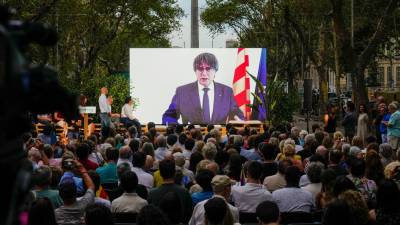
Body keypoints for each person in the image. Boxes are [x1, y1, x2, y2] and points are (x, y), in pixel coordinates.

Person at [162, 52, 244, 124]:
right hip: (191, 138)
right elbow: (169, 116)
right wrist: (177, 128)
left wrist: (239, 121)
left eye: (208, 69)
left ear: (215, 71)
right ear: (195, 71)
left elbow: (238, 115)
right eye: (200, 69)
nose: (204, 73)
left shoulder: (227, 92)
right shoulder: (182, 92)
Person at [148, 159, 193, 223]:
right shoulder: (184, 192)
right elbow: (189, 214)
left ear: (160, 173)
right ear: (174, 172)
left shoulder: (152, 193)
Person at [55, 161, 95, 225]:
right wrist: (82, 169)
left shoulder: (55, 214)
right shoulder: (84, 204)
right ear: (76, 192)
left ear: (60, 195)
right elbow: (91, 187)